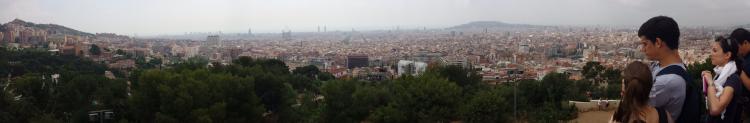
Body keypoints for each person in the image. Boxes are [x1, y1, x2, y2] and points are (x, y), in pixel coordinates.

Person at [637, 16, 700, 122]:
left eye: (645, 44)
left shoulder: (666, 82)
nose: (642, 49)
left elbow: (634, 106)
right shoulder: (676, 66)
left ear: (658, 42)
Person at [702, 36, 744, 123]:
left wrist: (710, 83)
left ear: (727, 55)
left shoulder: (733, 79)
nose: (711, 53)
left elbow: (715, 109)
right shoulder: (719, 75)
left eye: (715, 50)